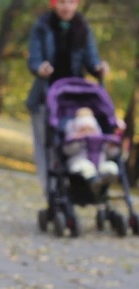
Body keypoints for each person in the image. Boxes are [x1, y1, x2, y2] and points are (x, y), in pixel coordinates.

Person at [26, 0, 109, 197]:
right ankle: (53, 193)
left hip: (73, 98)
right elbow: (34, 59)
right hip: (44, 96)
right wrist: (40, 68)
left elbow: (91, 59)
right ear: (54, 3)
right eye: (62, 2)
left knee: (76, 141)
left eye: (71, 2)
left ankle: (81, 186)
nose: (67, 7)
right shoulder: (43, 25)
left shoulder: (82, 26)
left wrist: (98, 68)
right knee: (48, 146)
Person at [62, 107, 119, 182]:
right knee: (86, 167)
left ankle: (105, 180)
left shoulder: (100, 137)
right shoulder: (73, 136)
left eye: (90, 129)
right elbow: (67, 151)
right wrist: (77, 140)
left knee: (111, 166)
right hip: (79, 162)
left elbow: (110, 154)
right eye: (84, 129)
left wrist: (111, 147)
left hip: (100, 164)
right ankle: (94, 182)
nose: (87, 132)